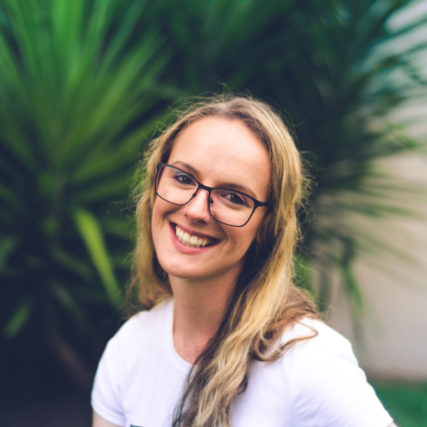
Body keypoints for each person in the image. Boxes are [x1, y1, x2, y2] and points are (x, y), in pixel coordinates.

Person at [91, 95, 395, 427]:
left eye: (233, 197)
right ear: (155, 182)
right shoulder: (129, 349)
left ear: (267, 227)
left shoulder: (306, 361)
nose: (196, 210)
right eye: (183, 178)